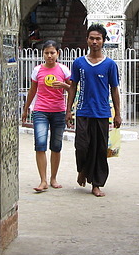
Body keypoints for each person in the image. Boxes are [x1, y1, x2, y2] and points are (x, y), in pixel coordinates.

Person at [66, 23, 122, 197]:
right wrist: (68, 110)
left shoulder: (110, 65)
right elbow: (73, 86)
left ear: (103, 41)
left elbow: (114, 89)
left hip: (102, 113)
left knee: (99, 150)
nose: (95, 41)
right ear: (87, 40)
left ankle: (96, 184)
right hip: (83, 112)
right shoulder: (79, 63)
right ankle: (82, 170)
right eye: (92, 38)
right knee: (81, 146)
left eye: (98, 38)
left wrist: (118, 114)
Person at [21, 40, 71, 192]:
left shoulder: (64, 70)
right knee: (40, 145)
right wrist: (25, 109)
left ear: (58, 53)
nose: (49, 56)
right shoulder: (37, 70)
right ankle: (43, 180)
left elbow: (73, 90)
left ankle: (53, 178)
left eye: (52, 53)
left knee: (56, 146)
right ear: (42, 54)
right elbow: (32, 90)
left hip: (59, 112)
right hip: (40, 111)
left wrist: (65, 86)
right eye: (46, 53)